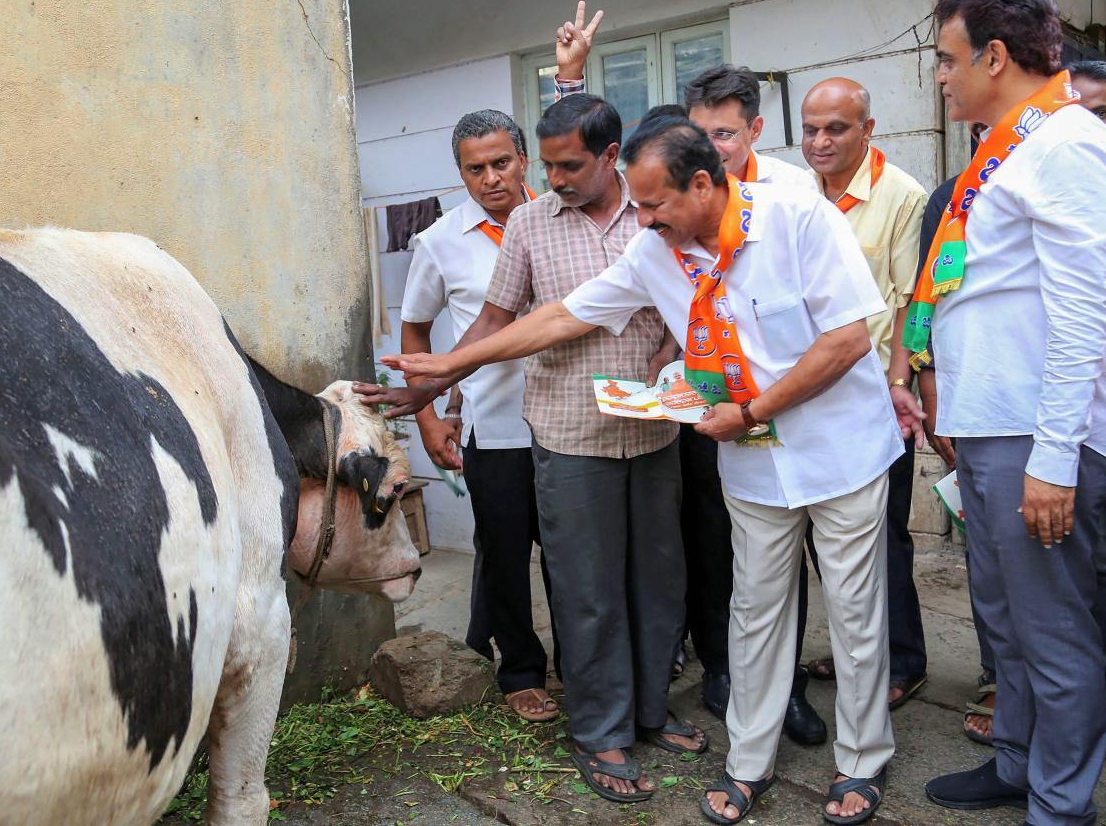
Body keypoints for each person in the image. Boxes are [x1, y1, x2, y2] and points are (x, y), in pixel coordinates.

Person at [380, 116, 925, 824]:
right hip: (754, 464)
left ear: (703, 184)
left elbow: (848, 338)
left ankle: (861, 761)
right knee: (755, 612)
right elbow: (561, 318)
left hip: (838, 453)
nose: (641, 220)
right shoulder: (654, 250)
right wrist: (450, 365)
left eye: (654, 205)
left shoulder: (797, 217)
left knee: (854, 614)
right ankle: (749, 762)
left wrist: (754, 409)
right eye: (636, 206)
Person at [358, 92, 704, 805]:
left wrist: (672, 358)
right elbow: (494, 317)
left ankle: (648, 706)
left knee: (657, 580)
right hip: (570, 433)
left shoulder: (654, 214)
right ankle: (602, 727)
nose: (555, 179)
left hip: (655, 428)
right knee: (587, 589)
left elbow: (690, 305)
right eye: (546, 166)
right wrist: (431, 387)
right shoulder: (531, 225)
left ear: (612, 157)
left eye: (569, 164)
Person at [554, 4, 827, 743]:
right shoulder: (661, 217)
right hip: (692, 410)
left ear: (751, 134)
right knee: (706, 546)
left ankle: (780, 686)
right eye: (701, 137)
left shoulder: (793, 201)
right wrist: (569, 78)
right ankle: (717, 671)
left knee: (772, 558)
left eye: (725, 135)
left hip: (781, 411)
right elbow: (584, 166)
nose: (713, 149)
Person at [919, 0, 1106, 824]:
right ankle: (1016, 763)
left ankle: (1059, 803)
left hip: (1040, 439)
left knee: (1053, 633)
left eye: (947, 57)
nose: (940, 75)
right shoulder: (1009, 146)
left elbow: (1086, 314)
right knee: (1007, 626)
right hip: (990, 428)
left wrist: (1053, 459)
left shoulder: (1072, 144)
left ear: (996, 55)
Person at [396, 109, 559, 723]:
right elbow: (415, 329)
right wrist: (428, 419)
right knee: (505, 555)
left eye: (501, 163)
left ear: (524, 160)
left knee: (574, 558)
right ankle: (519, 670)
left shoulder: (560, 220)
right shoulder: (440, 242)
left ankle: (584, 664)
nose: (491, 178)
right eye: (475, 168)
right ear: (460, 174)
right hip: (497, 429)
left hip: (572, 424)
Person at [798, 77, 930, 711]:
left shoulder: (902, 196)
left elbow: (912, 304)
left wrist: (902, 384)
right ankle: (860, 651)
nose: (820, 142)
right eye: (812, 129)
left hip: (877, 400)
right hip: (807, 398)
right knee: (834, 542)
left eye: (837, 129)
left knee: (884, 538)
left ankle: (902, 660)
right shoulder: (794, 196)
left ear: (868, 129)